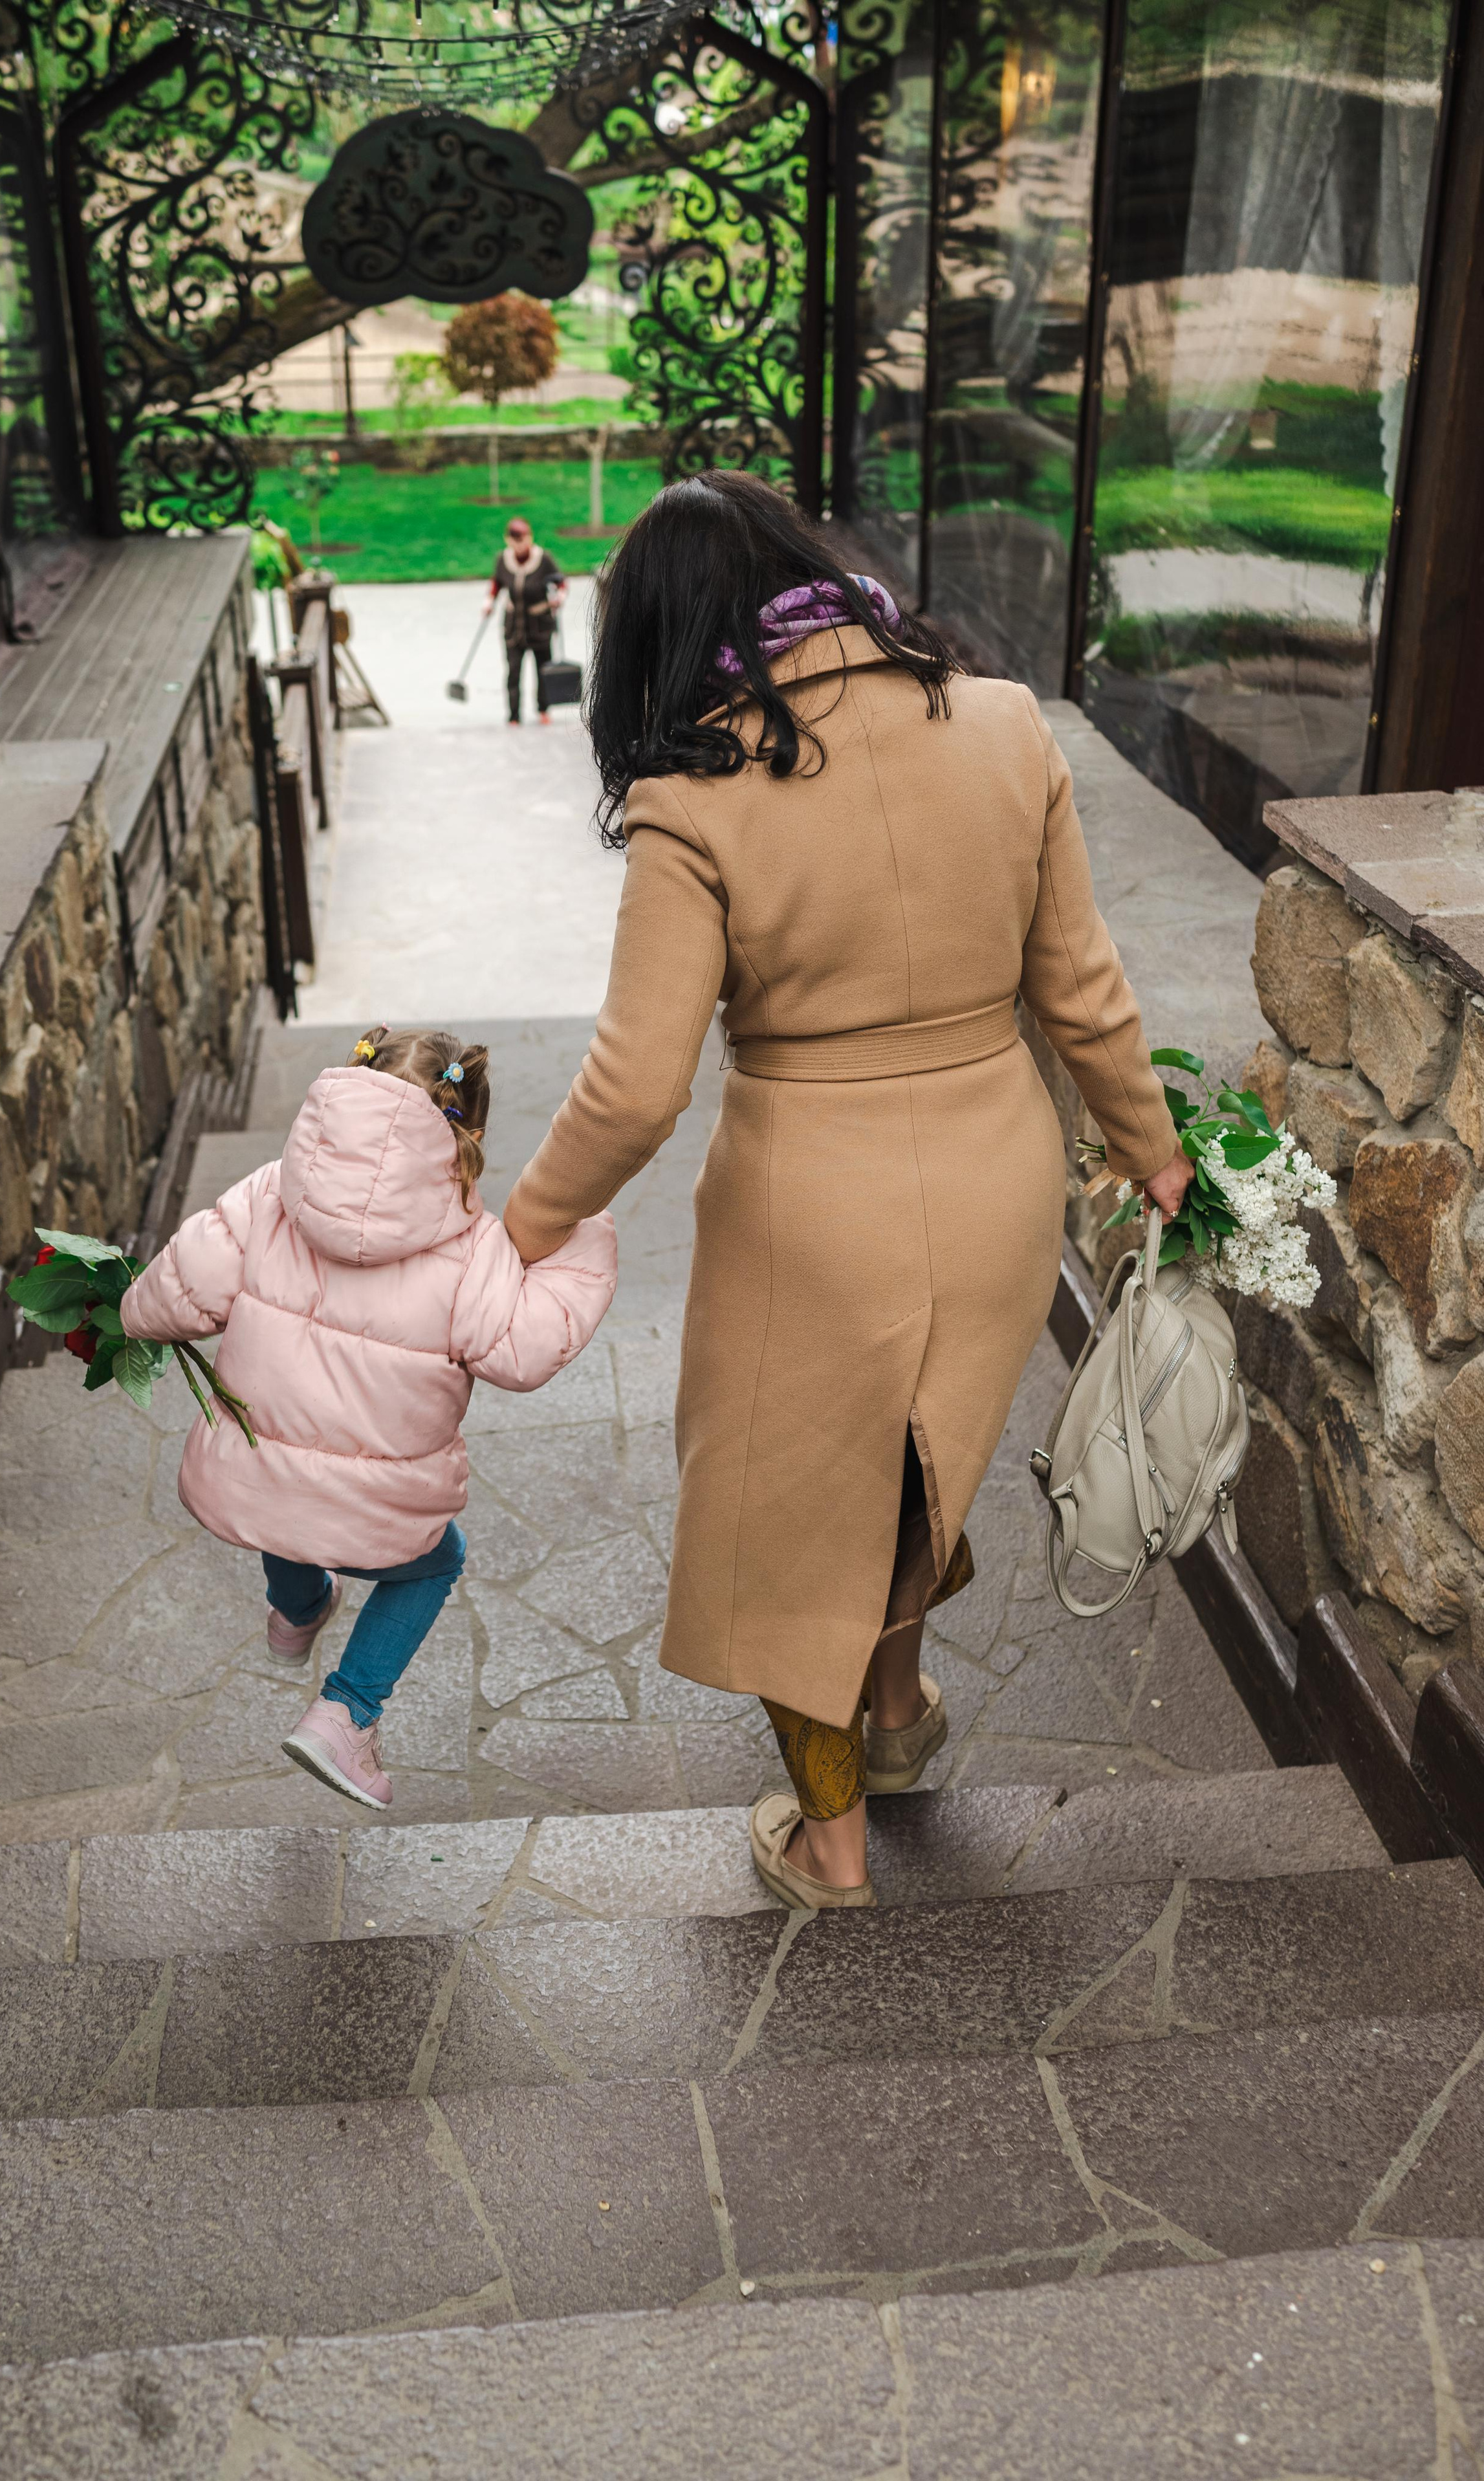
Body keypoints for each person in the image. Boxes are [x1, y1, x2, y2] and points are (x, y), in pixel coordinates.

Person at [499, 470, 1192, 1908]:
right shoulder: (1004, 727)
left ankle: (829, 1851)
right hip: (995, 1176)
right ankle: (892, 1722)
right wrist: (1149, 1146)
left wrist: (519, 1231)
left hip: (808, 1202)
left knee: (785, 1531)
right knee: (908, 1471)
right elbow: (1077, 990)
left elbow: (635, 1088)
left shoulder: (694, 792)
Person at [121, 1028, 616, 1809]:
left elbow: (175, 1294)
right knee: (436, 1560)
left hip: (249, 1479)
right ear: (466, 1137)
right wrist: (583, 1243)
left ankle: (297, 1606)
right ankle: (347, 1712)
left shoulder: (266, 1196)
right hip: (379, 1514)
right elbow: (521, 1354)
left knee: (276, 1494)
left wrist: (128, 1310)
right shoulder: (476, 1248)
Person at [486, 515, 566, 726]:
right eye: (515, 540)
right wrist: (489, 603)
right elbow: (497, 584)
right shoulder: (504, 560)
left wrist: (560, 597)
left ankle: (543, 709)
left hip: (539, 624)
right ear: (508, 541)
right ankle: (513, 715)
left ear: (530, 538)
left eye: (523, 539)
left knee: (542, 669)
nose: (520, 544)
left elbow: (561, 583)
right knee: (513, 671)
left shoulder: (544, 559)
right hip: (514, 627)